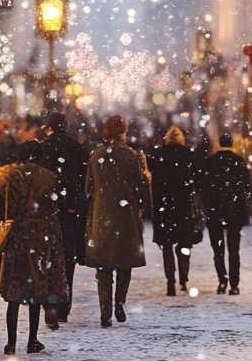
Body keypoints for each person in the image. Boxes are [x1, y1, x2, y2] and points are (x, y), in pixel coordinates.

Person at [0, 139, 69, 351]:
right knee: (35, 291)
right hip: (37, 238)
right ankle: (32, 340)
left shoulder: (6, 177)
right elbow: (51, 210)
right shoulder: (46, 178)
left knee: (14, 293)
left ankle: (11, 342)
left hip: (14, 237)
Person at [83, 114, 151, 327]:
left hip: (102, 216)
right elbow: (141, 189)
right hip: (126, 216)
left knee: (103, 268)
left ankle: (105, 313)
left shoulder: (96, 156)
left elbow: (88, 189)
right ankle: (119, 303)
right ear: (123, 134)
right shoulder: (133, 157)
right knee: (124, 263)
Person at [38, 111, 88, 322]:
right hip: (70, 210)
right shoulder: (76, 147)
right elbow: (82, 179)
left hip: (48, 209)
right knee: (68, 258)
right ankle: (64, 304)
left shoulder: (42, 147)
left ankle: (49, 304)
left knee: (48, 257)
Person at [147, 126, 203, 296]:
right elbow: (197, 181)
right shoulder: (188, 156)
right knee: (184, 245)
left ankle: (170, 281)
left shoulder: (158, 156)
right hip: (183, 207)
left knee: (167, 246)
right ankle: (184, 279)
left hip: (164, 207)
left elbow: (153, 182)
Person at [199, 133, 252, 295]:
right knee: (234, 249)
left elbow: (203, 188)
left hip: (215, 210)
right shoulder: (239, 162)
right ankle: (234, 284)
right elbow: (248, 187)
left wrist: (207, 204)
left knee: (218, 249)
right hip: (235, 211)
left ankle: (222, 279)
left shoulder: (210, 162)